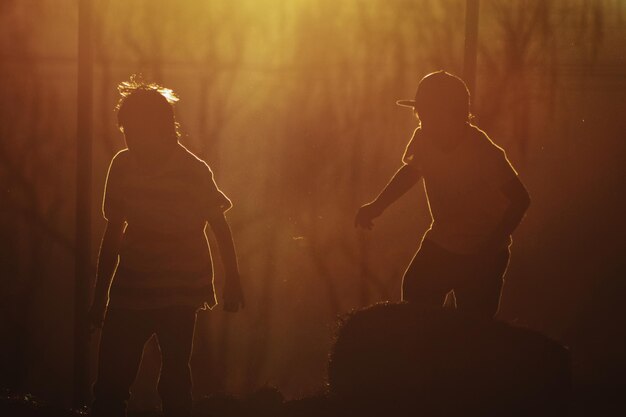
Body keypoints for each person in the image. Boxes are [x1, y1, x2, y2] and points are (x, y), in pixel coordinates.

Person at [87, 75, 245, 417]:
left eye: (135, 129)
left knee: (174, 379)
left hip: (180, 288)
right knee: (110, 383)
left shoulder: (192, 170)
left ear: (159, 128)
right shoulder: (123, 166)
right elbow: (113, 233)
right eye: (125, 129)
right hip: (131, 286)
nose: (129, 137)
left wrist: (231, 279)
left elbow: (220, 225)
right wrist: (100, 297)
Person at [355, 71, 530, 318]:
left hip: (485, 253)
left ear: (456, 115)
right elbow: (412, 172)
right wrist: (377, 206)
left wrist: (491, 245)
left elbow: (521, 199)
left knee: (473, 327)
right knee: (416, 291)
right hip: (443, 241)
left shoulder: (483, 151)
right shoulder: (424, 138)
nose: (424, 122)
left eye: (431, 115)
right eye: (421, 115)